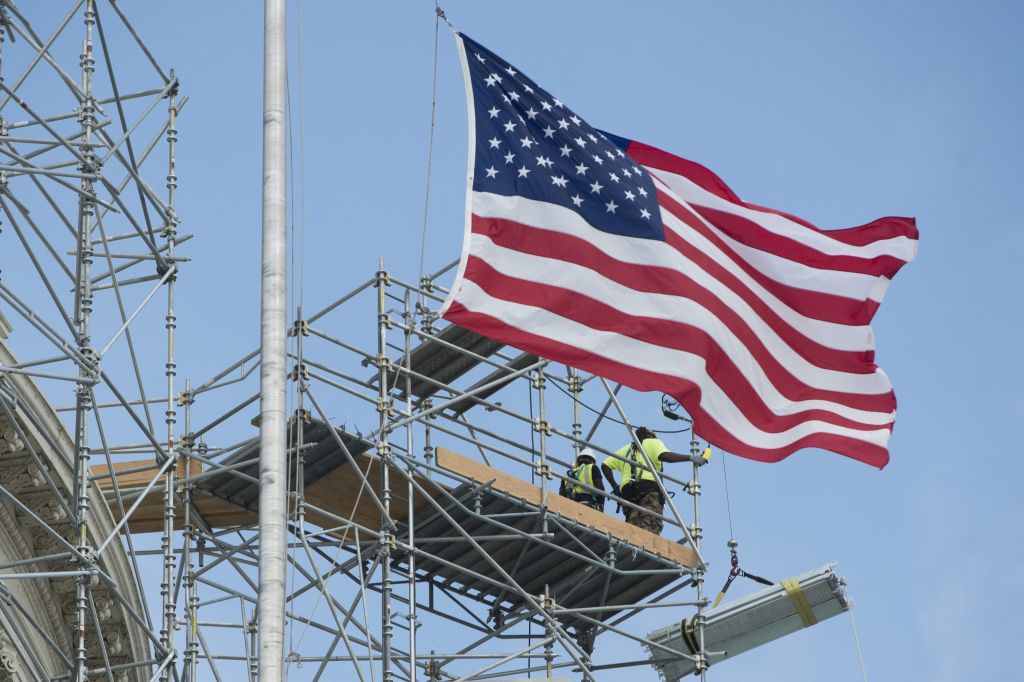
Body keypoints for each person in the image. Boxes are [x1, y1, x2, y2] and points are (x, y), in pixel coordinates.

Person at [600, 427, 690, 535]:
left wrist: (615, 487)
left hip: (628, 493)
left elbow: (605, 465)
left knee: (633, 530)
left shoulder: (628, 449)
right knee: (650, 528)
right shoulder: (653, 442)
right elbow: (665, 456)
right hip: (648, 489)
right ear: (651, 436)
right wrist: (690, 458)